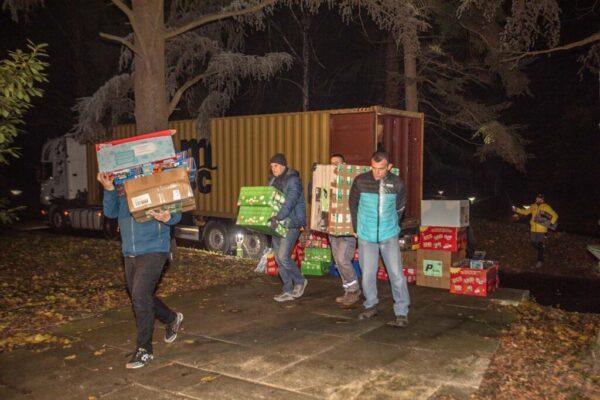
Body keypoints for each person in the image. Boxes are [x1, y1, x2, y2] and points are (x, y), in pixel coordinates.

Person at [97, 172, 184, 369]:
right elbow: (111, 213)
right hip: (129, 251)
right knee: (141, 295)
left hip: (154, 248)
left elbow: (176, 211)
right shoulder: (122, 185)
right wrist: (109, 189)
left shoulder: (156, 179)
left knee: (139, 295)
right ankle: (171, 318)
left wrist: (168, 216)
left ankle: (144, 349)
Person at [349, 151, 410, 327]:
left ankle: (401, 311)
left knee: (396, 274)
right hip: (366, 236)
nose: (377, 172)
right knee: (368, 274)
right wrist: (356, 228)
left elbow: (400, 208)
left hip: (388, 235)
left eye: (381, 169)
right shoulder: (360, 181)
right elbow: (353, 204)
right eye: (374, 168)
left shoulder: (397, 183)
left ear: (389, 167)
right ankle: (371, 305)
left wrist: (391, 227)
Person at [268, 153, 308, 302]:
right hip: (277, 223)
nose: (273, 169)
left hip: (292, 223)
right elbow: (269, 200)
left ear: (283, 166)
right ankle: (287, 290)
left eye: (276, 166)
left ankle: (300, 281)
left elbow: (289, 202)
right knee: (278, 259)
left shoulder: (293, 180)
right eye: (271, 166)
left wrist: (278, 216)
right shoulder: (273, 181)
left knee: (283, 256)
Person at [329, 153, 360, 307]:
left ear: (345, 165)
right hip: (332, 230)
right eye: (332, 163)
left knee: (343, 259)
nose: (334, 166)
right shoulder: (329, 182)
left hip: (348, 230)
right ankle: (348, 290)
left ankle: (354, 290)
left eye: (338, 163)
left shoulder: (352, 182)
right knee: (338, 262)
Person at [513, 194, 558, 267]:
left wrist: (550, 223)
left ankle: (539, 261)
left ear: (543, 200)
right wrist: (516, 209)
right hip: (533, 229)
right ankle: (542, 249)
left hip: (542, 230)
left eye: (540, 199)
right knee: (533, 243)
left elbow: (555, 215)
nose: (538, 200)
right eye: (537, 198)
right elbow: (525, 212)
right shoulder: (533, 206)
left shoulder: (546, 207)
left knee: (540, 244)